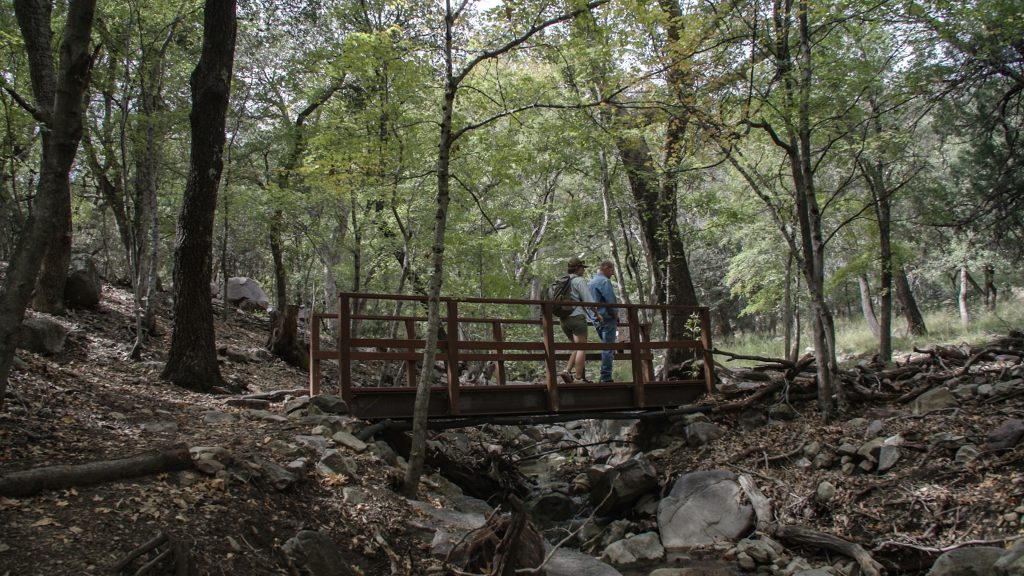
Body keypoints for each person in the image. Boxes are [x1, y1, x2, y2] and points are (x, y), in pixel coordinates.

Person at [559, 256, 602, 384]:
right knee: (582, 347)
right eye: (582, 268)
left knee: (576, 347)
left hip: (564, 318)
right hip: (577, 317)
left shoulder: (563, 281)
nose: (583, 270)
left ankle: (566, 371)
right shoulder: (579, 281)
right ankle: (578, 378)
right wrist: (597, 314)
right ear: (577, 268)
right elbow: (588, 301)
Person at [589, 260, 619, 382]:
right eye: (612, 270)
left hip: (595, 317)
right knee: (608, 347)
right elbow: (610, 301)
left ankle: (604, 375)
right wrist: (615, 314)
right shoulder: (604, 281)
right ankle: (606, 377)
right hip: (606, 317)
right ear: (606, 268)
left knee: (605, 346)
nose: (612, 273)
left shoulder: (591, 282)